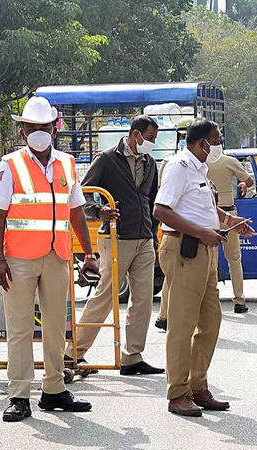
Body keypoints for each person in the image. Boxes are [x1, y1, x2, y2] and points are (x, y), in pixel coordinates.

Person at [0, 95, 101, 422]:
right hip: (18, 259)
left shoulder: (67, 163)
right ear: (23, 131)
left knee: (55, 327)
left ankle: (53, 389)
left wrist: (89, 253)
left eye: (44, 126)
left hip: (57, 256)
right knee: (20, 328)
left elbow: (76, 211)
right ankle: (19, 395)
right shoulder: (10, 164)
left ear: (55, 128)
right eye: (32, 127)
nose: (39, 132)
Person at [152, 119, 257, 417]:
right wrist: (200, 232)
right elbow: (161, 210)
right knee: (182, 325)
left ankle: (198, 385)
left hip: (206, 251)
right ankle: (177, 392)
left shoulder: (200, 169)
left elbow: (205, 207)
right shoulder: (179, 167)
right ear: (202, 144)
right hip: (185, 250)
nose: (219, 145)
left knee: (211, 322)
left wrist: (229, 221)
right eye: (216, 140)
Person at [69, 115, 164, 375]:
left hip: (144, 237)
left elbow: (152, 201)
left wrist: (153, 236)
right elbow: (82, 195)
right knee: (105, 297)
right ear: (136, 134)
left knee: (143, 300)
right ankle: (74, 353)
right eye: (151, 138)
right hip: (115, 237)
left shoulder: (150, 163)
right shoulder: (107, 159)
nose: (152, 143)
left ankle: (132, 356)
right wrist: (98, 210)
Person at [206, 144, 256, 313]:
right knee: (234, 259)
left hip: (208, 216)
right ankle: (239, 301)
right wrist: (242, 184)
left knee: (209, 260)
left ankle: (209, 301)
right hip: (229, 216)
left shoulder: (200, 162)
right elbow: (249, 181)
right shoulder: (229, 161)